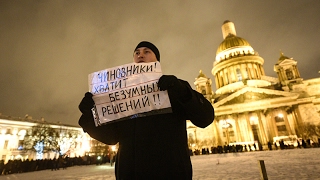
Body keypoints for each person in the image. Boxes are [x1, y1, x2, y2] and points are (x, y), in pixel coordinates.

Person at [78, 41, 214, 179]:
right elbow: (111, 136)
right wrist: (90, 115)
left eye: (146, 51)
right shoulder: (122, 98)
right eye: (137, 53)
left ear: (157, 60)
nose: (140, 55)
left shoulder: (173, 88)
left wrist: (183, 91)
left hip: (170, 173)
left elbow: (205, 118)